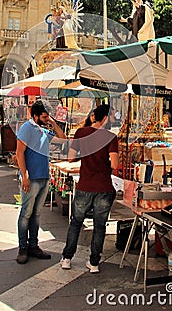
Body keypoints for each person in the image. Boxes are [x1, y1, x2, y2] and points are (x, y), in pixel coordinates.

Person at [60, 104, 119, 273]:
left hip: (85, 185)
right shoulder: (110, 137)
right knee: (99, 226)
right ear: (106, 119)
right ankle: (94, 263)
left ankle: (67, 258)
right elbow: (114, 164)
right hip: (104, 187)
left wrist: (86, 157)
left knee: (76, 223)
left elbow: (71, 158)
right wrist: (103, 163)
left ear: (94, 117)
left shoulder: (81, 133)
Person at [16, 100, 67, 264]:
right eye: (44, 116)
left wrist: (52, 122)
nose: (47, 119)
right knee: (26, 214)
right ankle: (23, 248)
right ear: (35, 115)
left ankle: (34, 245)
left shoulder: (44, 130)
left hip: (44, 177)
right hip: (31, 179)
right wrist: (25, 175)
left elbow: (63, 138)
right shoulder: (26, 128)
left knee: (36, 215)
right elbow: (19, 153)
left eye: (48, 116)